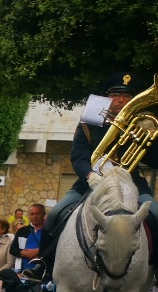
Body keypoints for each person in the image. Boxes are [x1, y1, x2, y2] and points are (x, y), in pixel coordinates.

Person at [42, 73, 154, 267]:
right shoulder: (90, 122)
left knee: (157, 214)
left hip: (131, 182)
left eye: (127, 96)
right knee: (55, 214)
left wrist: (150, 140)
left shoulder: (142, 125)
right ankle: (42, 264)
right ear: (106, 98)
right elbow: (78, 155)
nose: (121, 100)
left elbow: (154, 161)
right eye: (115, 95)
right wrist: (89, 174)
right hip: (90, 182)